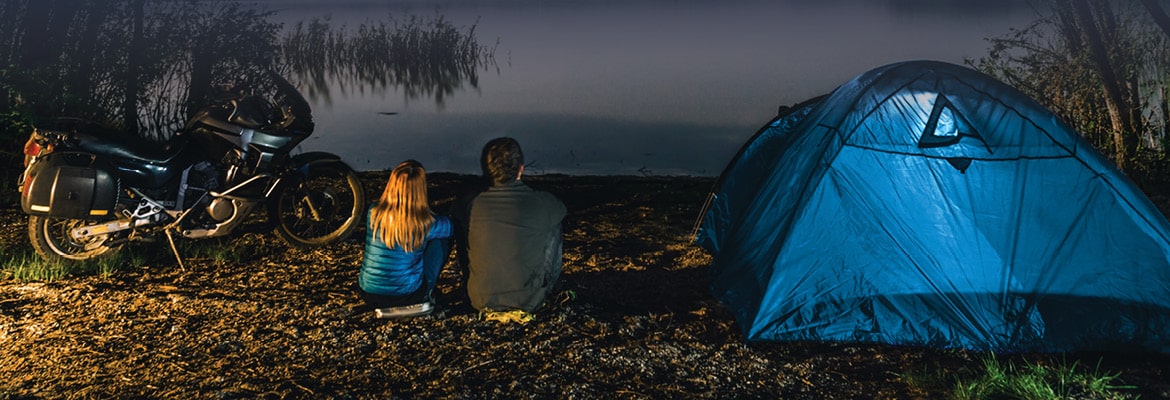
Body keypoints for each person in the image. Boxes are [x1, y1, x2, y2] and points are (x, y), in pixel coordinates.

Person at [459, 137, 567, 314]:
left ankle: (474, 281)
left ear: (489, 170)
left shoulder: (472, 204)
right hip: (529, 301)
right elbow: (562, 210)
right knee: (554, 225)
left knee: (467, 226)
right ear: (521, 169)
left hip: (480, 300)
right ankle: (550, 287)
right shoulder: (542, 202)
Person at [357, 160, 452, 318]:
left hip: (368, 292)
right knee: (441, 239)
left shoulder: (373, 212)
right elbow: (451, 227)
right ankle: (426, 293)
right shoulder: (425, 223)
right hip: (407, 295)